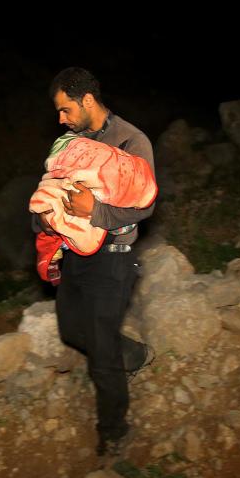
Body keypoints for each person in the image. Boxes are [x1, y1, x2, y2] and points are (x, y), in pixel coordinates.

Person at [34, 67, 156, 458]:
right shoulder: (70, 142)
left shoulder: (132, 140)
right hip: (75, 255)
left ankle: (115, 432)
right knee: (72, 330)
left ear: (87, 100)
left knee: (101, 358)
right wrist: (43, 216)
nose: (61, 119)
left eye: (66, 109)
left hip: (114, 259)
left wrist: (95, 210)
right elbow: (51, 188)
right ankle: (131, 353)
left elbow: (145, 206)